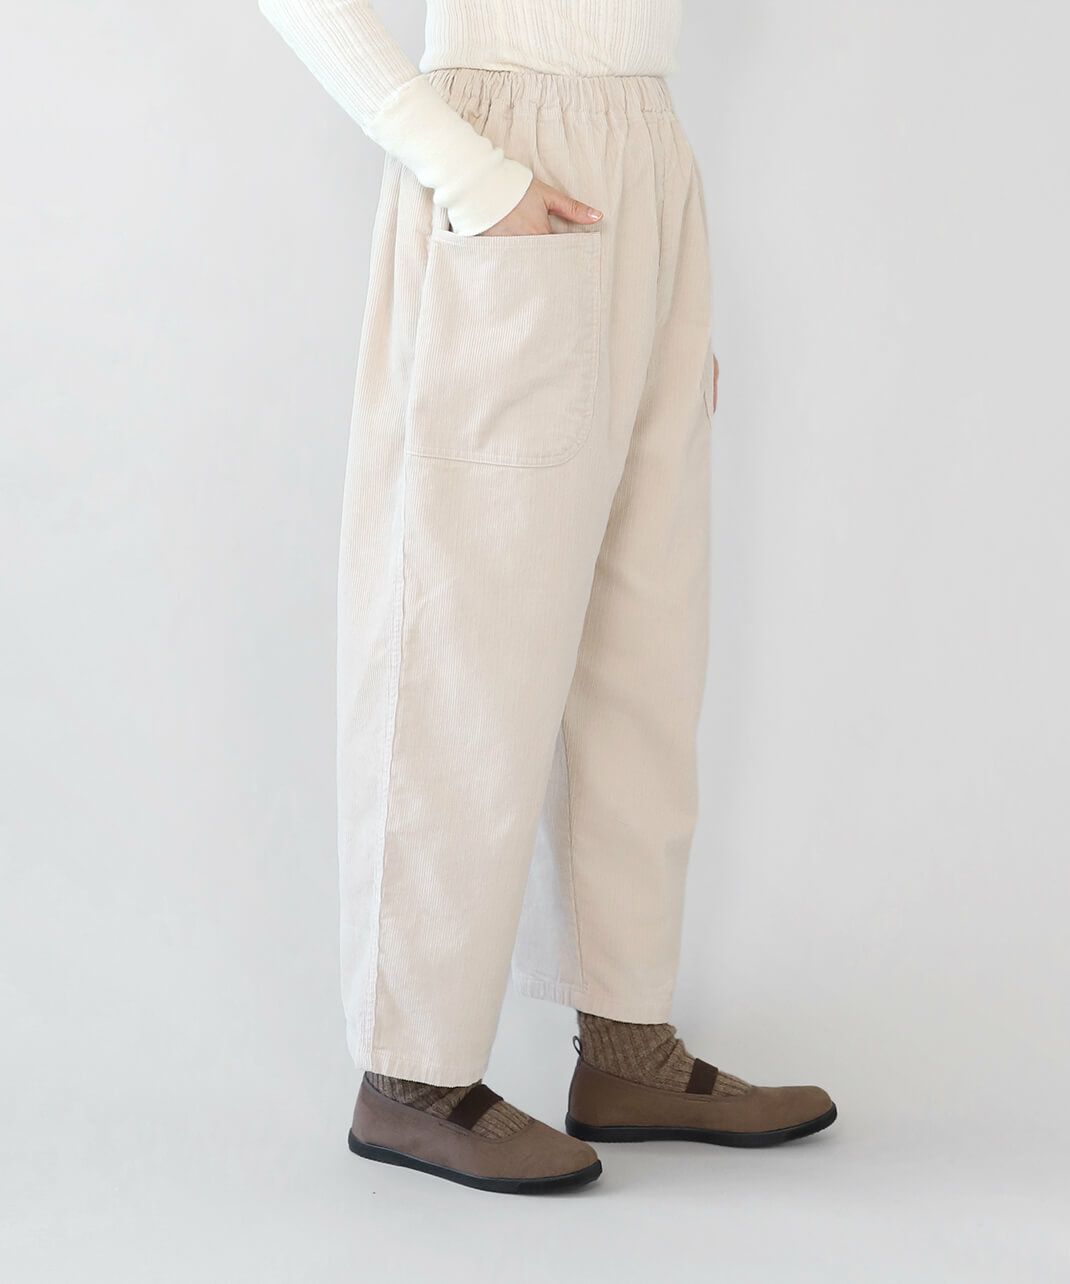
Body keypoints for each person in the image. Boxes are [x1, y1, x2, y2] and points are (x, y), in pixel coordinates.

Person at [259, 0, 836, 1194]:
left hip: (646, 158)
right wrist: (467, 171)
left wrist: (658, 277)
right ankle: (410, 1076)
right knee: (462, 638)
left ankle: (625, 1043)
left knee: (642, 645)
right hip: (501, 151)